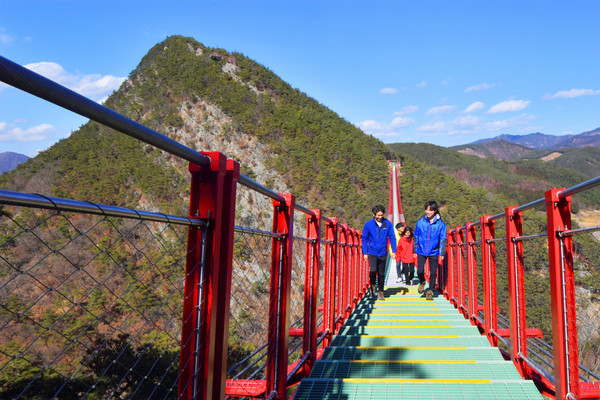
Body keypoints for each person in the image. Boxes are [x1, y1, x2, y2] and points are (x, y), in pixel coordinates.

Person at [362, 205, 397, 300]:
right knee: (373, 270)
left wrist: (394, 251)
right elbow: (364, 239)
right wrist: (365, 253)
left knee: (381, 273)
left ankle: (381, 291)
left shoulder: (387, 223)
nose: (380, 217)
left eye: (381, 215)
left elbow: (392, 237)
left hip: (383, 252)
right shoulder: (368, 224)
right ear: (373, 214)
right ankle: (373, 285)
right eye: (378, 215)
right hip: (372, 252)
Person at [413, 201, 447, 301]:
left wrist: (442, 252)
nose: (427, 212)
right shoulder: (420, 222)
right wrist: (415, 250)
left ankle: (430, 291)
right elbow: (416, 236)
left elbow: (443, 239)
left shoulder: (441, 224)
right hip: (421, 250)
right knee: (419, 271)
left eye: (430, 210)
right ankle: (422, 282)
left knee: (433, 272)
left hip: (434, 251)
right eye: (426, 209)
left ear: (435, 211)